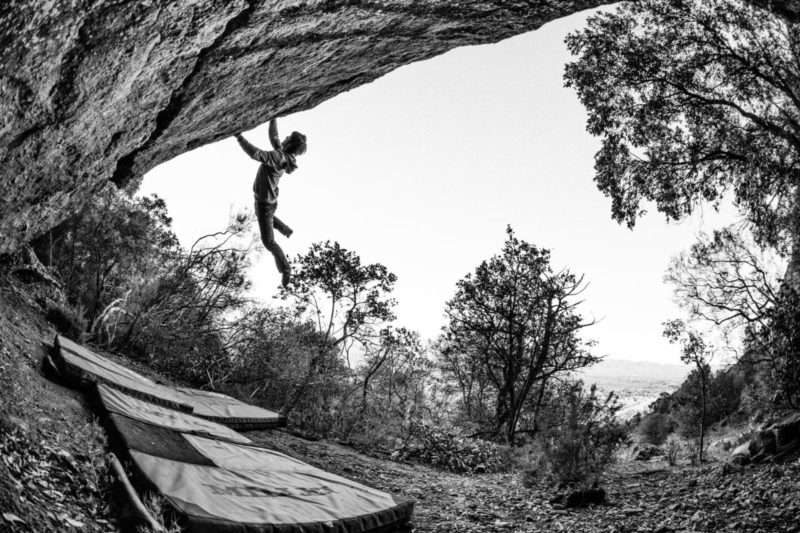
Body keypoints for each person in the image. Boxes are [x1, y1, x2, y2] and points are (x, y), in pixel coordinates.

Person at [234, 119, 307, 287]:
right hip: (268, 202)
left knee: (269, 242)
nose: (285, 138)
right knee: (264, 217)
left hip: (265, 204)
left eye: (288, 137)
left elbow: (256, 154)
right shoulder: (283, 155)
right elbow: (274, 137)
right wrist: (273, 118)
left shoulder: (277, 157)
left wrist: (239, 137)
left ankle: (285, 269)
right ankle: (285, 229)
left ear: (290, 143)